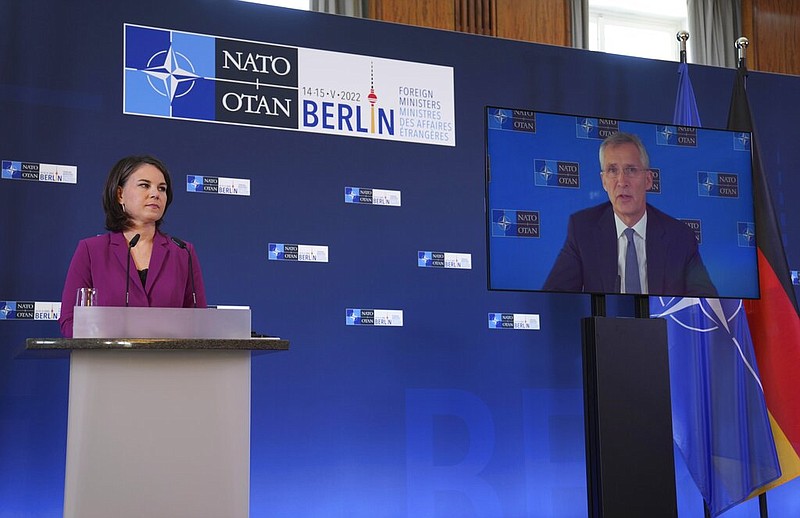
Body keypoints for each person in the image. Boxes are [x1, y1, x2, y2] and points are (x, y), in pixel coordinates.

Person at [543, 132, 717, 296]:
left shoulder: (679, 237)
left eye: (631, 170)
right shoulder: (583, 229)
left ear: (648, 180)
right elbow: (554, 297)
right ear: (604, 181)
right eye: (612, 170)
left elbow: (706, 302)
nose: (622, 182)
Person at [59, 155, 207, 337]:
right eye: (145, 185)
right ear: (120, 194)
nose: (155, 194)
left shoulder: (183, 252)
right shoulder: (91, 250)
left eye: (162, 188)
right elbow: (70, 320)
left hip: (168, 362)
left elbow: (199, 323)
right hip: (108, 362)